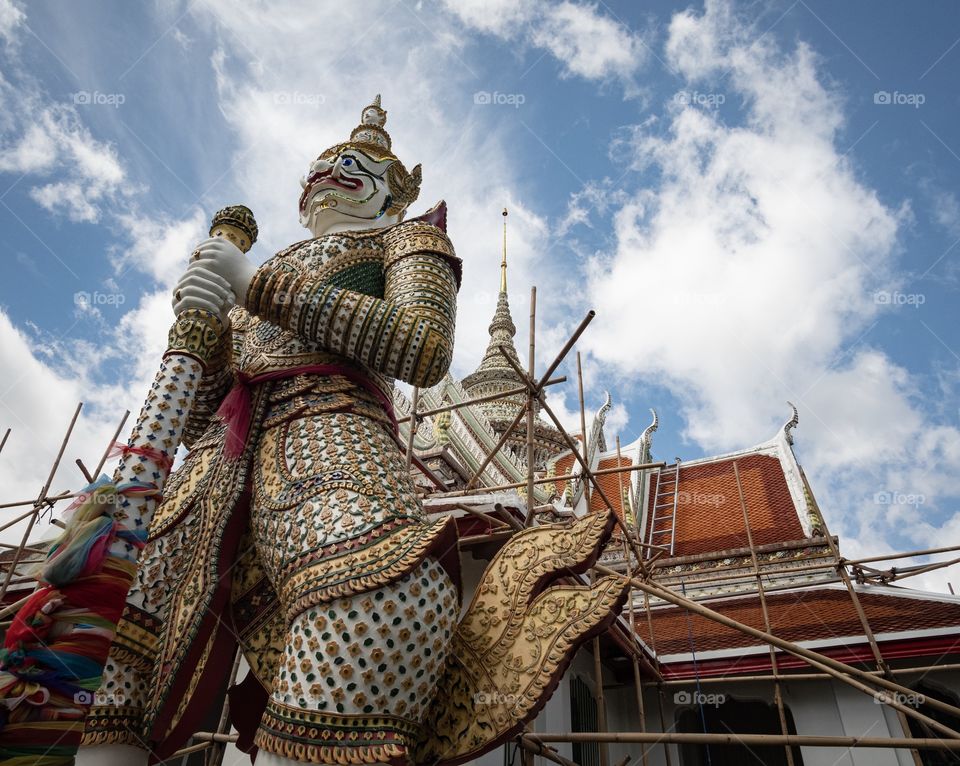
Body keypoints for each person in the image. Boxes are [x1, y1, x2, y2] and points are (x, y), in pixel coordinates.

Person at [79, 95, 463, 766]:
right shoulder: (267, 268)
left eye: (352, 165)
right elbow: (200, 413)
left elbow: (423, 348)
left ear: (395, 193)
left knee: (382, 599)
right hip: (214, 462)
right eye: (319, 166)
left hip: (329, 430)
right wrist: (202, 330)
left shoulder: (407, 240)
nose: (325, 174)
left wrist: (256, 287)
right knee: (120, 633)